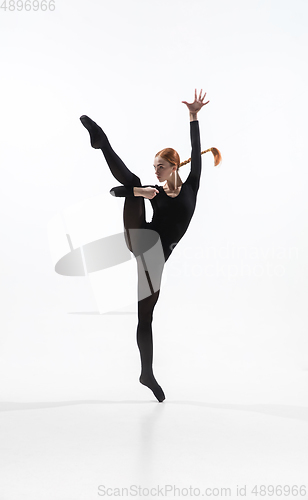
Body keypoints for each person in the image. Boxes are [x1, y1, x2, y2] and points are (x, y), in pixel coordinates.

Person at [80, 89, 221, 403]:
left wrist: (194, 115)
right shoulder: (155, 190)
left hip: (154, 260)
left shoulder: (191, 187)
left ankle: (146, 373)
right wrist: (140, 193)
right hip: (140, 237)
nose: (155, 170)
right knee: (133, 183)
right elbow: (145, 190)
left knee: (146, 318)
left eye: (160, 166)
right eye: (154, 165)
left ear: (173, 167)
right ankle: (101, 141)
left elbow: (196, 151)